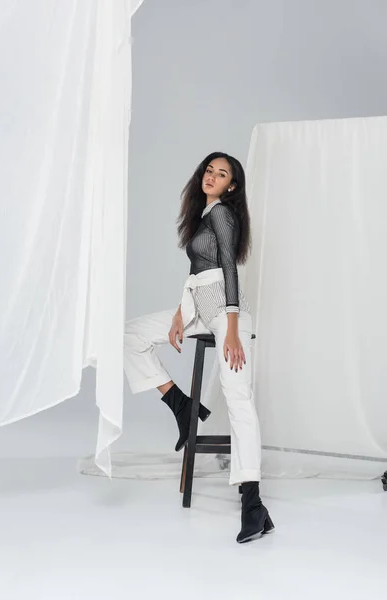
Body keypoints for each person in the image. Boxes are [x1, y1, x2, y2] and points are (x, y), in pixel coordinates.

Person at [124, 152, 274, 543]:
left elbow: (228, 267)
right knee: (130, 335)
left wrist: (232, 327)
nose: (212, 176)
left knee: (239, 399)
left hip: (226, 313)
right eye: (209, 170)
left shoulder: (223, 214)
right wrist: (179, 314)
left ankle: (253, 503)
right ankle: (181, 403)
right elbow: (196, 275)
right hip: (199, 309)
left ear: (232, 186)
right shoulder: (203, 216)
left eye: (221, 174)